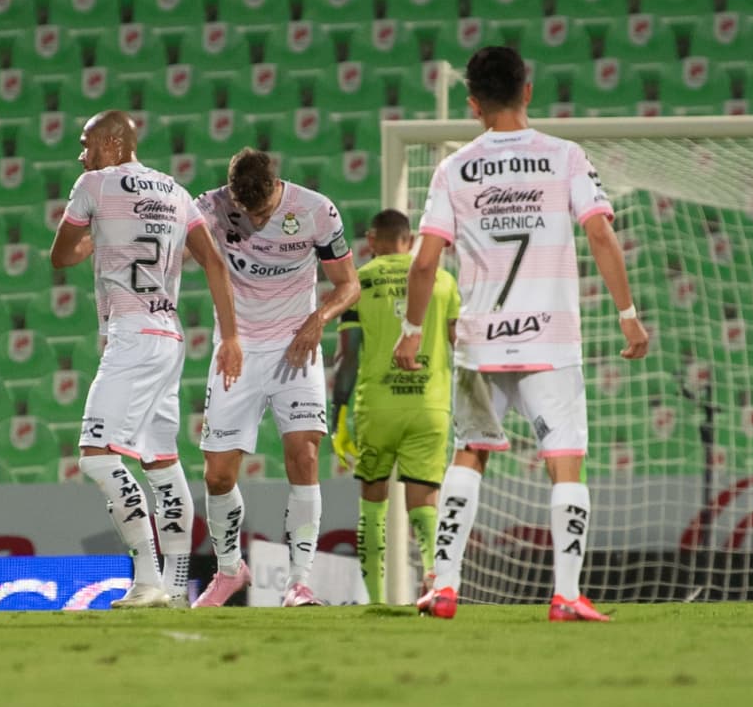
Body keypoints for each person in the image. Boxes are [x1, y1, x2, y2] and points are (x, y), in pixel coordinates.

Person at [394, 46, 649, 622]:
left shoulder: (454, 168)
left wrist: (412, 329)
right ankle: (565, 594)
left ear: (473, 104)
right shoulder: (564, 157)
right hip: (550, 340)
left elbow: (424, 261)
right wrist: (627, 312)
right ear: (528, 91)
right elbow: (602, 236)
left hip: (481, 341)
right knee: (564, 461)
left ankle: (446, 586)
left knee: (469, 455)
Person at [51, 110, 242, 609]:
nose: (81, 153)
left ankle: (148, 578)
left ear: (112, 144)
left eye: (86, 142)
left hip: (132, 335)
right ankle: (177, 587)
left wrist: (101, 233)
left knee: (96, 456)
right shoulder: (176, 193)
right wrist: (231, 337)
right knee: (162, 461)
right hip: (170, 336)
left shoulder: (93, 184)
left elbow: (62, 254)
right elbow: (215, 263)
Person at [191, 148, 360, 608]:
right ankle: (229, 571)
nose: (256, 219)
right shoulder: (209, 208)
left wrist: (319, 318)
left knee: (303, 454)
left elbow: (349, 284)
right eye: (246, 212)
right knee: (218, 474)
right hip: (238, 350)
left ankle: (299, 582)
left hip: (295, 347)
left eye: (263, 210)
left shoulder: (315, 210)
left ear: (277, 187)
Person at [331, 209, 459, 604]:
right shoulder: (442, 280)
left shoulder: (359, 282)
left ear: (372, 239)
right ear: (411, 238)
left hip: (378, 407)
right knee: (424, 502)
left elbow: (348, 356)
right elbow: (460, 345)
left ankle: (374, 600)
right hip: (430, 404)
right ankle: (437, 586)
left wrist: (339, 414)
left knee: (373, 500)